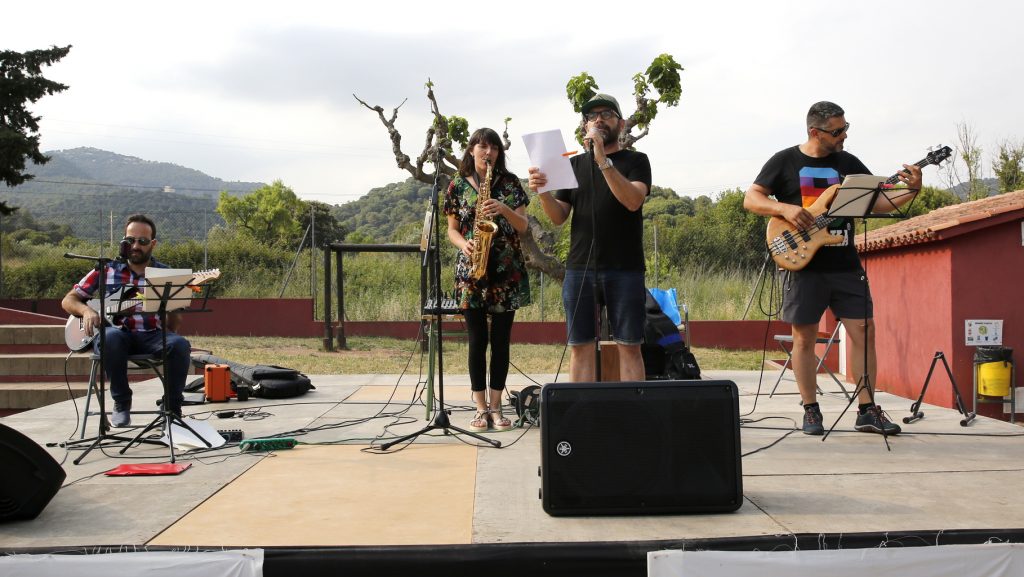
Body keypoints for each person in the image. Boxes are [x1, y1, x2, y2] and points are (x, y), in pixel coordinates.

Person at [743, 101, 922, 435]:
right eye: (837, 131)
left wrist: (911, 189)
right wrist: (785, 209)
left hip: (845, 264)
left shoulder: (848, 164)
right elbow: (751, 198)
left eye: (845, 128)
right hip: (804, 265)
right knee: (804, 338)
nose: (844, 136)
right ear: (815, 132)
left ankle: (867, 410)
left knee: (865, 330)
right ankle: (810, 409)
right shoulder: (785, 161)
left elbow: (879, 202)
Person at [527, 93, 651, 382]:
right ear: (585, 126)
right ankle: (581, 409)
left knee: (630, 347)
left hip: (626, 268)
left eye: (606, 114)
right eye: (592, 116)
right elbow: (558, 217)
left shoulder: (637, 160)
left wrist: (603, 161)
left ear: (621, 123)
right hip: (580, 268)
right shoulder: (573, 165)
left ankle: (634, 409)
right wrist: (542, 192)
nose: (598, 120)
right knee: (579, 347)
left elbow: (633, 201)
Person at [61, 214, 192, 427]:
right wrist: (86, 311)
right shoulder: (106, 269)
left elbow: (173, 326)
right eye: (131, 240)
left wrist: (172, 307)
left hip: (152, 335)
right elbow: (69, 300)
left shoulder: (165, 275)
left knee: (180, 345)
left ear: (153, 244)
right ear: (124, 241)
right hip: (116, 335)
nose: (136, 246)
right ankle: (122, 403)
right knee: (111, 337)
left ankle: (172, 407)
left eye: (143, 241)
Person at [444, 128, 531, 432]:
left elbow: (523, 226)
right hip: (471, 271)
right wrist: (463, 244)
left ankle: (496, 407)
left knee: (501, 341)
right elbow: (452, 229)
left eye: (493, 147)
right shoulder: (457, 185)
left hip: (505, 271)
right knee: (477, 340)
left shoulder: (510, 183)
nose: (488, 151)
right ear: (471, 150)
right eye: (482, 146)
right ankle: (480, 407)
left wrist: (503, 208)